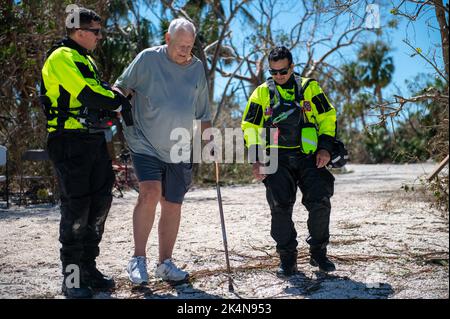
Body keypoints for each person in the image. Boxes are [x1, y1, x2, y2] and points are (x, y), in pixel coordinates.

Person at [40, 7, 132, 298]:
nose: (99, 37)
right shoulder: (62, 58)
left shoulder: (85, 59)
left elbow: (101, 90)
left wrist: (115, 100)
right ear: (80, 32)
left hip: (93, 141)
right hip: (69, 141)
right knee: (77, 208)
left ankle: (88, 269)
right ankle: (72, 278)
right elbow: (90, 94)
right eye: (95, 31)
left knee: (99, 204)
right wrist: (117, 102)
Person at [114, 18, 212, 284]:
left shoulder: (196, 68)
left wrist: (209, 143)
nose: (185, 51)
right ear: (167, 40)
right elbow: (121, 85)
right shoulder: (147, 59)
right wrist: (113, 101)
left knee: (172, 204)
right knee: (150, 193)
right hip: (144, 140)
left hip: (180, 145)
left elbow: (203, 111)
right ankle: (137, 259)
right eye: (180, 45)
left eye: (189, 46)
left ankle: (165, 264)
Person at [241, 46, 337, 276]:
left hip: (309, 155)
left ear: (292, 67)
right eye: (273, 72)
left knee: (320, 203)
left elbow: (327, 117)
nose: (278, 76)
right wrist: (256, 160)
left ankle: (319, 253)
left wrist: (324, 148)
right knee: (280, 209)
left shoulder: (309, 88)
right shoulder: (262, 93)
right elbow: (250, 127)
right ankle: (287, 259)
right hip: (276, 157)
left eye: (283, 71)